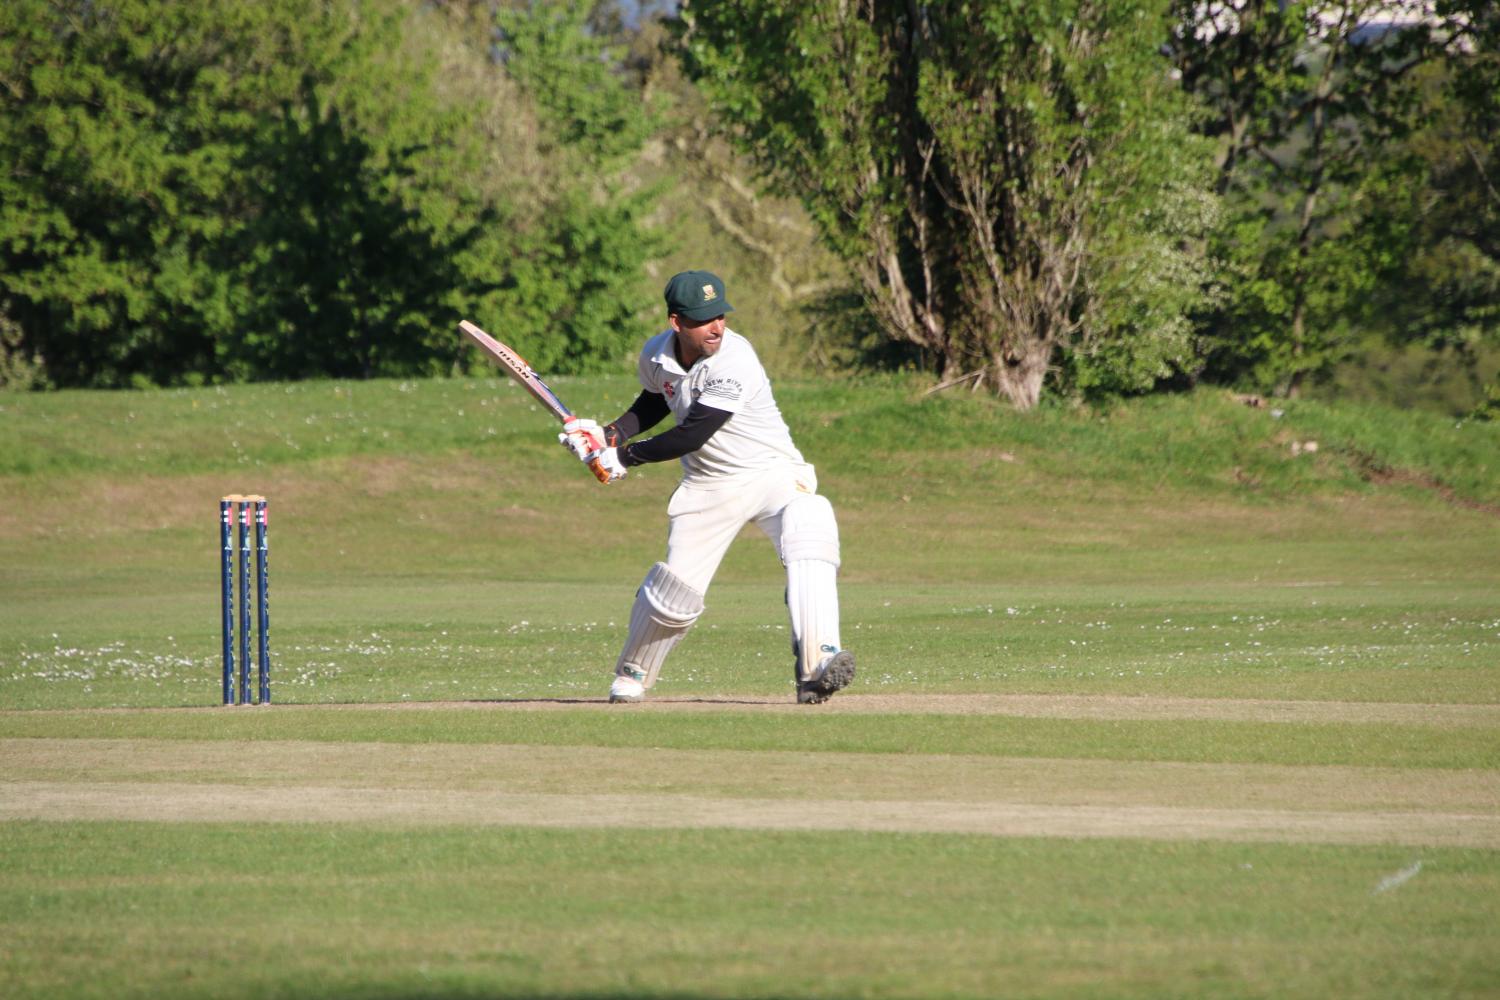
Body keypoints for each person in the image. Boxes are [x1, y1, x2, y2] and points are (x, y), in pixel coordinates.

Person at [558, 270, 855, 705]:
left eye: (720, 316)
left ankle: (817, 665)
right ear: (676, 322)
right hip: (708, 486)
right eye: (704, 319)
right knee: (673, 594)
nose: (717, 327)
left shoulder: (736, 359)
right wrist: (610, 435)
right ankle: (633, 672)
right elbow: (658, 397)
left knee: (811, 523)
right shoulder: (656, 353)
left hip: (770, 471)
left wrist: (622, 458)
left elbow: (694, 432)